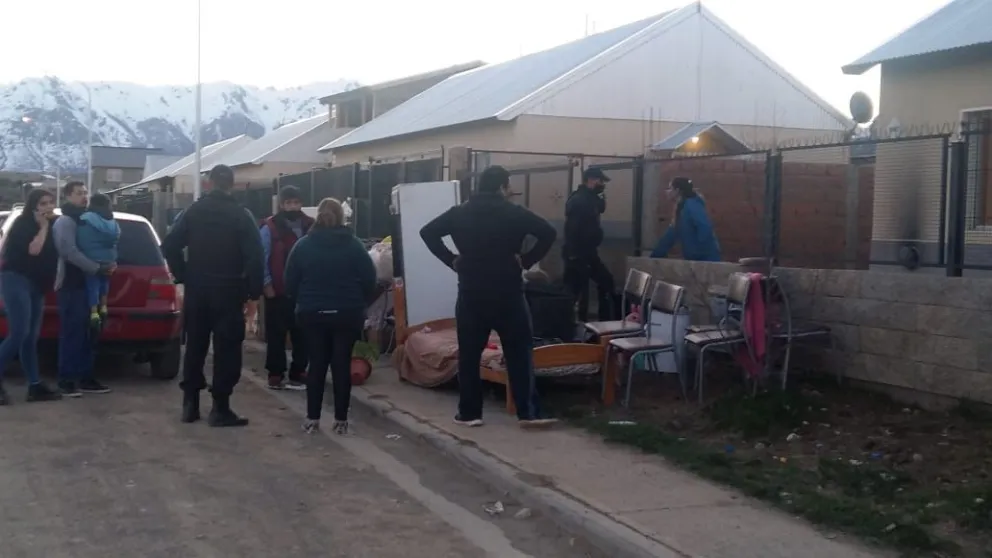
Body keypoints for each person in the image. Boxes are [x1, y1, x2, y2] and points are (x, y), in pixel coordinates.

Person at [420, 165, 558, 429]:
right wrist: (527, 260)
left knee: (470, 354)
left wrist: (451, 260)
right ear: (502, 186)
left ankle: (469, 413)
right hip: (508, 291)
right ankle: (527, 412)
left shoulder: (459, 213)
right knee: (519, 351)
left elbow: (427, 232)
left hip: (472, 291)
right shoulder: (514, 212)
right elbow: (548, 232)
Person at [162, 164, 264, 427]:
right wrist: (254, 292)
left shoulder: (193, 212)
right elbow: (255, 257)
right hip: (229, 291)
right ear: (231, 185)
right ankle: (220, 407)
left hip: (198, 289)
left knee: (195, 344)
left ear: (208, 183)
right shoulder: (241, 216)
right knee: (227, 349)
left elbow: (170, 245)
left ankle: (190, 404)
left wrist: (183, 274)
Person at [284, 198, 376, 436]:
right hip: (346, 313)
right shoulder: (354, 245)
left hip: (312, 313)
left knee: (316, 365)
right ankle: (341, 420)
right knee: (341, 364)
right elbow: (369, 279)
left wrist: (302, 300)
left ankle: (312, 419)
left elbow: (290, 281)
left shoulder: (303, 246)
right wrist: (359, 303)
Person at [0, 189, 62, 404]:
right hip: (16, 279)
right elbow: (34, 250)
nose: (47, 207)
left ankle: (34, 386)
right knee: (19, 332)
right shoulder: (23, 224)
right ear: (34, 206)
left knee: (30, 338)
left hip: (37, 284)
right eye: (43, 203)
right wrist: (43, 227)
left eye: (50, 203)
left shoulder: (56, 225)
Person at [53, 181, 113, 398]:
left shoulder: (88, 220)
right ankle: (66, 380)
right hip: (72, 284)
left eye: (86, 192)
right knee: (73, 334)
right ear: (68, 196)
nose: (84, 196)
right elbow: (68, 251)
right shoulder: (66, 221)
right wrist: (97, 268)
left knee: (90, 333)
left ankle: (86, 377)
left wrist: (109, 262)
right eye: (79, 193)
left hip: (91, 287)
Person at [260, 185, 313, 390]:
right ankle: (275, 373)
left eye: (296, 202)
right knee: (276, 335)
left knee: (302, 333)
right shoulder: (270, 228)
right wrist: (266, 285)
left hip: (304, 291)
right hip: (277, 291)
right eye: (288, 203)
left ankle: (299, 371)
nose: (292, 206)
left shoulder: (311, 226)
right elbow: (262, 258)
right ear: (281, 205)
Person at [562, 167, 615, 322]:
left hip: (587, 252)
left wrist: (600, 196)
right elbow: (572, 228)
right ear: (591, 180)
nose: (602, 184)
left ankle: (603, 320)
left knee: (605, 282)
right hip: (579, 253)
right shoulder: (580, 200)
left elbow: (600, 208)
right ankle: (567, 323)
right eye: (600, 181)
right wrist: (574, 254)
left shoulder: (589, 198)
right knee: (576, 290)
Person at [650, 177, 721, 261]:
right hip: (695, 260)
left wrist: (697, 253)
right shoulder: (681, 208)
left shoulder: (692, 205)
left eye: (670, 188)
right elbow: (671, 234)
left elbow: (705, 227)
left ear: (677, 190)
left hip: (706, 260)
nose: (666, 191)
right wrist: (655, 256)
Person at [76, 193, 120, 329]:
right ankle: (104, 307)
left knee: (92, 285)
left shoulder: (85, 219)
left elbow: (80, 240)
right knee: (104, 283)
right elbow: (115, 239)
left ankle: (94, 313)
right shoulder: (111, 221)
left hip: (92, 259)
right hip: (109, 259)